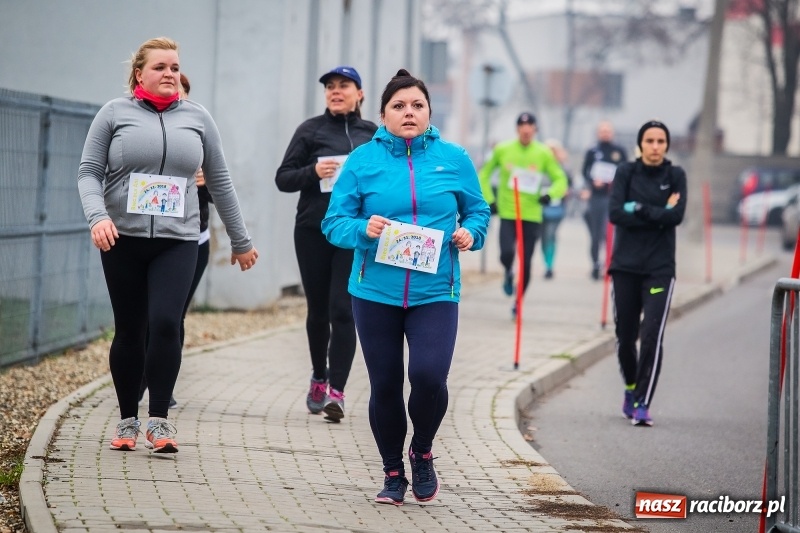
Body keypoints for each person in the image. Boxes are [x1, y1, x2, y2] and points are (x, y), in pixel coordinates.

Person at [78, 37, 258, 454]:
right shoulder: (113, 114)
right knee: (130, 329)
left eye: (175, 67)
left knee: (164, 323)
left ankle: (158, 420)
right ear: (140, 73)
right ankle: (127, 419)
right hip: (122, 237)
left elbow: (220, 180)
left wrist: (240, 239)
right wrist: (98, 216)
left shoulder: (197, 118)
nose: (170, 74)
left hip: (177, 241)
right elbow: (88, 172)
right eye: (161, 67)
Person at [321, 69, 490, 505]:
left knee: (429, 375)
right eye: (399, 106)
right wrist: (364, 229)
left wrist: (471, 233)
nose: (408, 113)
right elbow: (333, 222)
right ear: (382, 115)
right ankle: (393, 471)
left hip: (435, 290)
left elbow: (478, 211)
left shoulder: (453, 158)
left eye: (417, 105)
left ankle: (423, 450)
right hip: (375, 291)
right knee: (387, 382)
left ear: (430, 112)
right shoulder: (363, 161)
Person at [275, 65, 377, 422]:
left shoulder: (372, 135)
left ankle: (337, 391)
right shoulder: (310, 130)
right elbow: (283, 178)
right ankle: (319, 376)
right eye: (330, 86)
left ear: (359, 93)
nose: (336, 91)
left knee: (343, 310)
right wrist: (312, 172)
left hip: (352, 233)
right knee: (318, 311)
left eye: (344, 85)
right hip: (313, 230)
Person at [138, 73, 214, 410]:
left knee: (171, 316)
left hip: (189, 240)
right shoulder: (140, 131)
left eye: (181, 89)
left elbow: (221, 189)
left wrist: (203, 182)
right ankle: (136, 378)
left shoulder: (196, 130)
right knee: (141, 316)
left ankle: (161, 386)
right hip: (141, 236)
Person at [607, 120, 686, 427]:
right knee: (625, 337)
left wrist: (636, 208)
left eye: (661, 141)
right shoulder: (626, 172)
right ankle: (630, 387)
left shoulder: (676, 175)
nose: (655, 146)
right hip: (625, 266)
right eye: (650, 141)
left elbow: (676, 216)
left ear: (667, 145)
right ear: (641, 144)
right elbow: (615, 213)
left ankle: (642, 402)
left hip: (660, 269)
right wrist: (658, 214)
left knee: (651, 336)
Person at [478, 113, 568, 315]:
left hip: (531, 215)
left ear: (535, 130)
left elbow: (560, 179)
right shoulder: (503, 149)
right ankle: (508, 272)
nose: (526, 130)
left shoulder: (544, 153)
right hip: (508, 212)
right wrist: (489, 200)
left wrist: (549, 195)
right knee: (506, 254)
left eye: (530, 126)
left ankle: (518, 302)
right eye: (522, 126)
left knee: (526, 262)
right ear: (517, 129)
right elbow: (484, 174)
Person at [581, 121, 628, 280]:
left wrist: (616, 182)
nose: (605, 133)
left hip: (613, 197)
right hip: (596, 197)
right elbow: (585, 171)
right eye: (602, 130)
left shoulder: (619, 151)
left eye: (608, 130)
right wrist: (592, 181)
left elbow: (626, 172)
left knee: (608, 232)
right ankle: (595, 263)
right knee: (595, 234)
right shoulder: (592, 151)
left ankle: (610, 263)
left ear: (612, 132)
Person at [540, 139, 573, 279]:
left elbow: (570, 184)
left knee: (551, 235)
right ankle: (546, 262)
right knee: (543, 237)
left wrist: (566, 191)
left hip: (557, 208)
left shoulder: (563, 168)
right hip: (540, 207)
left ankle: (549, 265)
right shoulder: (539, 166)